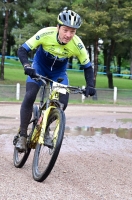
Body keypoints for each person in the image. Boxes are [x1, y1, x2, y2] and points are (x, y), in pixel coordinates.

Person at [15, 10, 96, 152]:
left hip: (58, 73)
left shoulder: (77, 44)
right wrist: (27, 66)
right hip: (39, 68)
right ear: (58, 27)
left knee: (62, 103)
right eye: (65, 30)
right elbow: (22, 50)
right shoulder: (46, 33)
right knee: (30, 95)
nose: (68, 35)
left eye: (73, 31)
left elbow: (88, 67)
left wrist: (90, 85)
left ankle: (44, 128)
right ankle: (22, 135)